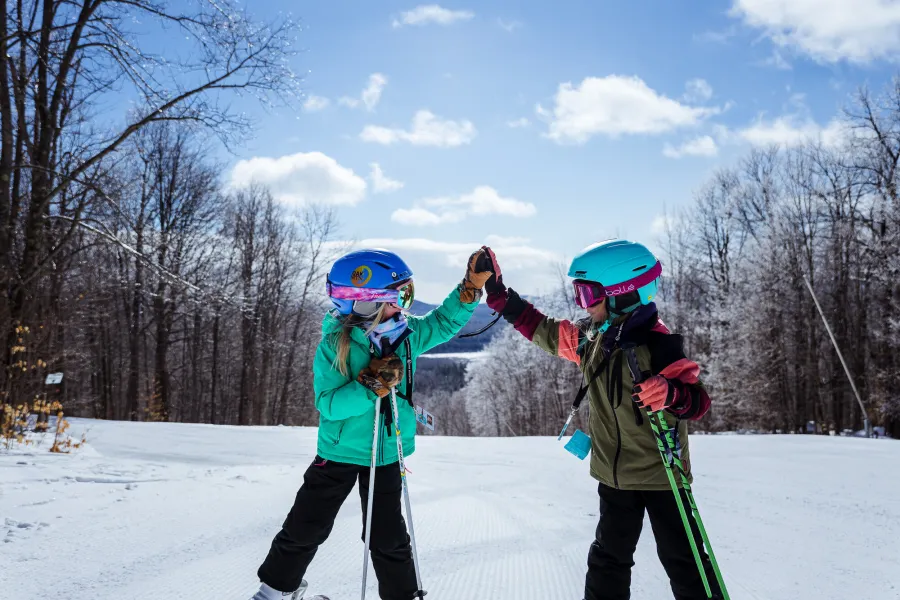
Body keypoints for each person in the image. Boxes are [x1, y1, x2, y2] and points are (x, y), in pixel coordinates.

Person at [481, 240, 722, 600]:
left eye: (588, 294)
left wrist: (671, 394)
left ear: (622, 293)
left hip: (663, 477)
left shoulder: (659, 344)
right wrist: (501, 296)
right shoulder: (593, 338)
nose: (583, 303)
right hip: (614, 476)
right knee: (608, 559)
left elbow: (697, 402)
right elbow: (544, 329)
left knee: (684, 561)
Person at [249, 247, 492, 600]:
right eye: (398, 298)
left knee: (387, 535)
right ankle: (274, 590)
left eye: (406, 295)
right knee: (307, 525)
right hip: (339, 452)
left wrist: (469, 288)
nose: (404, 307)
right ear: (366, 303)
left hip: (386, 453)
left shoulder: (404, 335)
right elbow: (327, 405)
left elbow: (443, 323)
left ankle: (401, 595)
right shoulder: (334, 345)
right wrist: (370, 386)